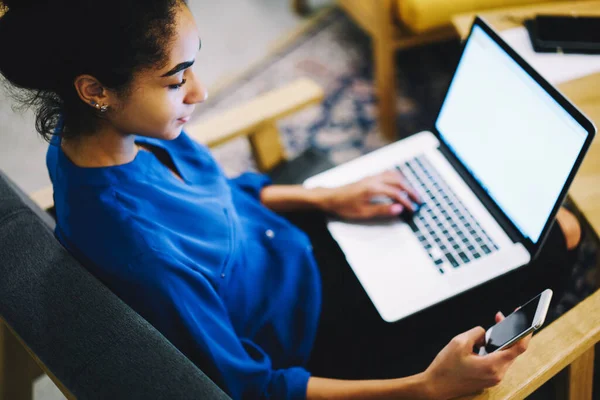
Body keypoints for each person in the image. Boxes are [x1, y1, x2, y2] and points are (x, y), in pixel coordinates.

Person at [0, 0, 582, 398]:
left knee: (520, 216)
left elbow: (224, 198)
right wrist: (428, 386)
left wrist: (328, 199)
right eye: (177, 79)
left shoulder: (92, 140)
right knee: (560, 237)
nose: (200, 92)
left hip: (292, 249)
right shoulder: (143, 250)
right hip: (321, 337)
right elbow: (257, 388)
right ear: (95, 89)